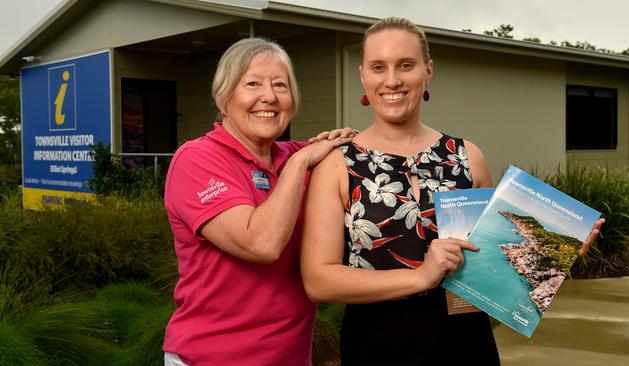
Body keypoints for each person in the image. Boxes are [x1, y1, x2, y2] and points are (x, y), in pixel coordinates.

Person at [300, 17, 605, 365]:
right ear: (363, 76)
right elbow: (318, 281)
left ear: (428, 70)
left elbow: (487, 266)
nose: (392, 80)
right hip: (378, 346)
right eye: (378, 67)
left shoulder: (468, 156)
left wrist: (555, 255)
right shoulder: (338, 164)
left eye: (406, 65)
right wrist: (419, 277)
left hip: (466, 345)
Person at [162, 37, 354, 366]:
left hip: (291, 357)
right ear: (223, 98)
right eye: (252, 83)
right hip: (210, 359)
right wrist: (299, 165)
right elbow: (261, 244)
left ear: (292, 100)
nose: (268, 96)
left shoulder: (299, 155)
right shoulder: (196, 159)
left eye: (280, 85)